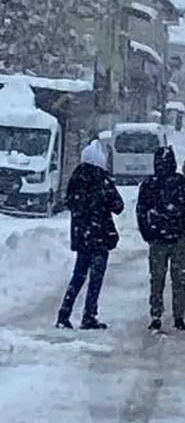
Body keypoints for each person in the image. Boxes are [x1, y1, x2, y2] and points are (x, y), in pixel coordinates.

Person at [57, 140, 123, 330]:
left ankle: (64, 313)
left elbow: (69, 203)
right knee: (95, 278)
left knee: (78, 275)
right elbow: (118, 206)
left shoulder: (76, 179)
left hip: (81, 235)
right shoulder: (102, 180)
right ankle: (89, 315)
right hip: (100, 236)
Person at [137, 146, 185, 331]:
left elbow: (141, 211)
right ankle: (178, 316)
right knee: (179, 280)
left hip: (158, 239)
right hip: (179, 238)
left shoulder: (149, 184)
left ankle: (156, 315)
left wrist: (148, 233)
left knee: (157, 279)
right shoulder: (181, 182)